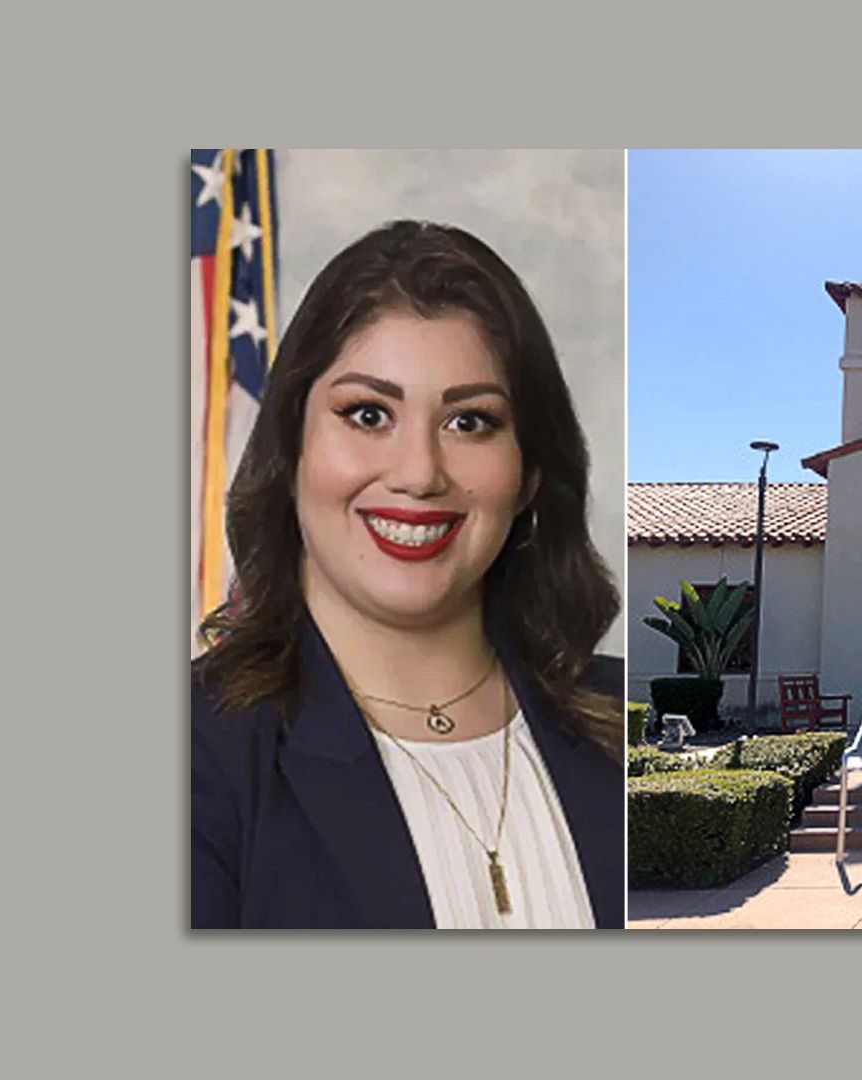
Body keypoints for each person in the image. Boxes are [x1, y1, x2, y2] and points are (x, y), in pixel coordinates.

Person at [191, 221, 624, 929]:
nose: (419, 473)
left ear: (530, 474)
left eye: (471, 422)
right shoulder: (194, 756)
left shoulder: (618, 727)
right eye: (367, 414)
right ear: (292, 448)